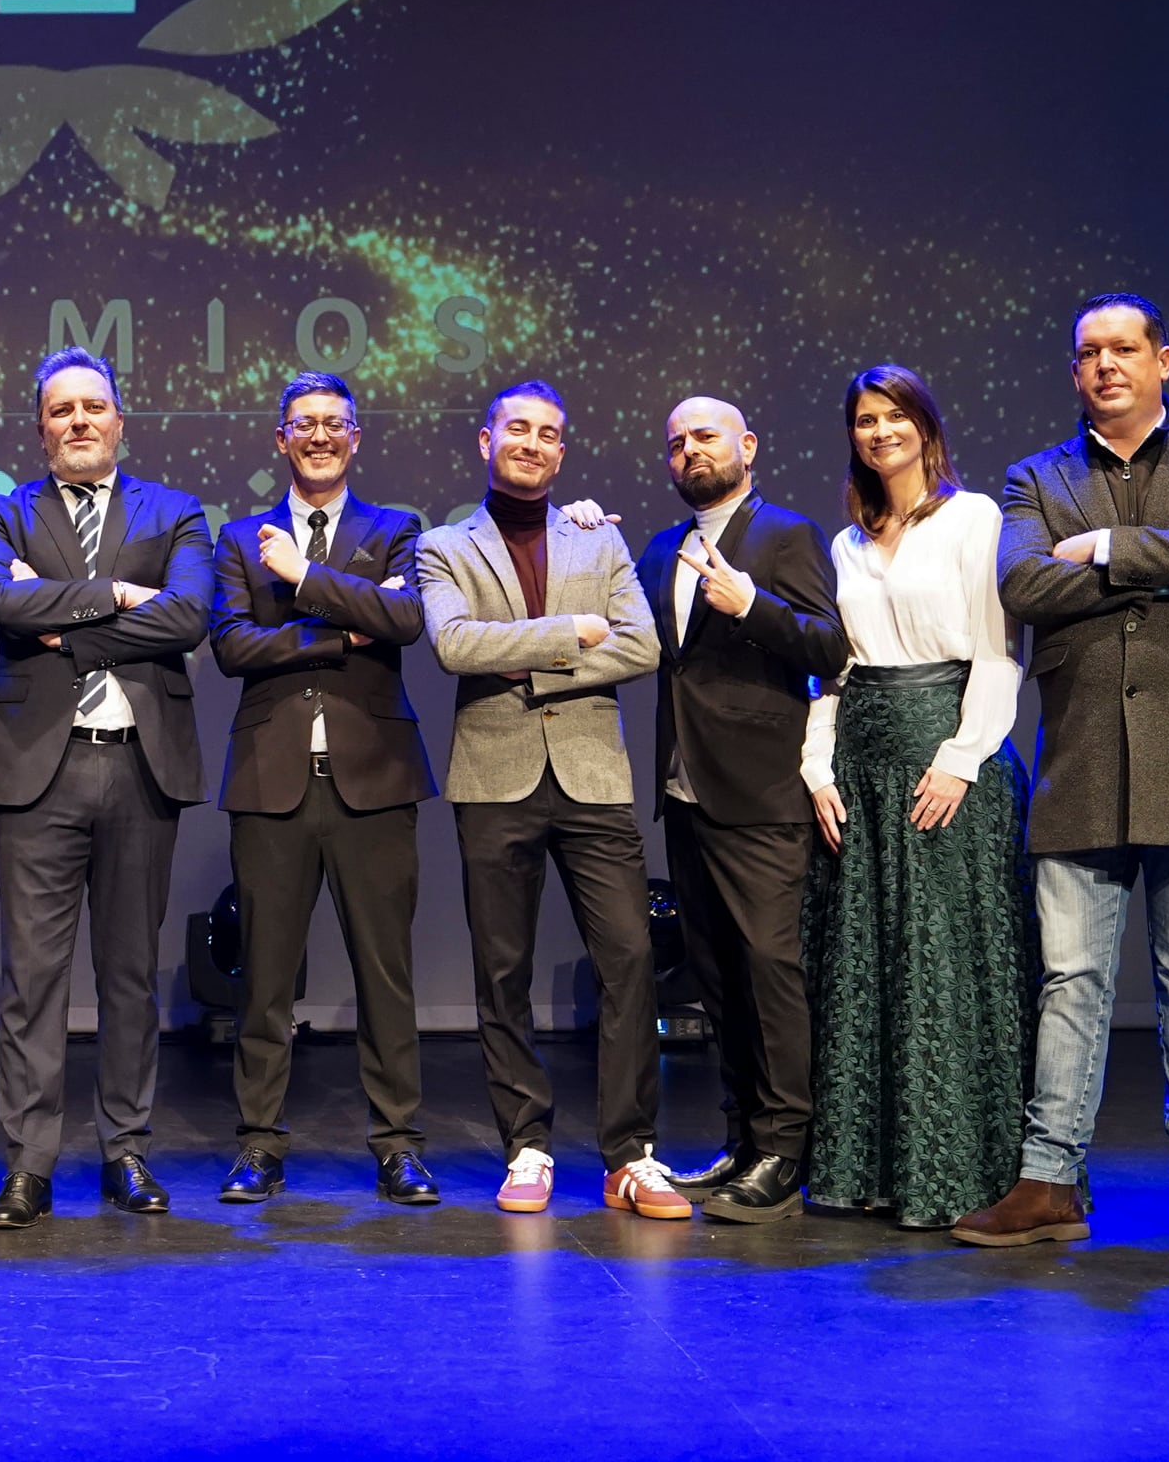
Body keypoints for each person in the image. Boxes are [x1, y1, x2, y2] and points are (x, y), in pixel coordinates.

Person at [956, 294, 1169, 1253]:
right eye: (1089, 352)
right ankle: (1047, 1178)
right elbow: (1023, 583)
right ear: (1073, 371)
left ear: (1163, 359)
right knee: (1071, 980)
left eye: (1124, 349)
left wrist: (1100, 548)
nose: (1106, 365)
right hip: (1085, 754)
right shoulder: (1034, 477)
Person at [0, 347, 217, 1229]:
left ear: (120, 421)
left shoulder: (178, 512)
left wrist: (65, 623)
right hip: (41, 767)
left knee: (129, 975)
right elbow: (1, 603)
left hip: (139, 763)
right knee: (32, 981)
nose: (78, 421)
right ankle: (28, 1166)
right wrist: (115, 592)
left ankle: (126, 1152)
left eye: (93, 407)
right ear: (41, 428)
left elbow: (189, 617)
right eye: (61, 410)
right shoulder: (0, 512)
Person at [417, 379, 680, 1219]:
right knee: (503, 971)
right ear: (486, 440)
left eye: (549, 433)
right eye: (518, 429)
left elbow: (641, 646)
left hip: (592, 775)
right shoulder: (443, 545)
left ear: (562, 451)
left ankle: (630, 1155)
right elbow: (454, 645)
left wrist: (526, 660)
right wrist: (573, 633)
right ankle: (526, 1146)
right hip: (493, 777)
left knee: (631, 960)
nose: (533, 442)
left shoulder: (596, 540)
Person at [798, 367, 1032, 1230]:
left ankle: (961, 1174)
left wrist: (963, 758)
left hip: (945, 761)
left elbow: (998, 651)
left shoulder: (973, 519)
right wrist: (818, 769)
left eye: (895, 415)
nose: (879, 430)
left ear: (925, 427)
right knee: (866, 972)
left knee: (942, 969)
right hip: (860, 768)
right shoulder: (846, 543)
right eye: (865, 418)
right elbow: (837, 667)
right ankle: (870, 1172)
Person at [207, 372, 440, 1208]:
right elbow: (232, 646)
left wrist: (303, 580)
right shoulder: (238, 537)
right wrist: (343, 627)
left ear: (355, 436)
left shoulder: (397, 528)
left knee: (388, 972)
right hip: (270, 778)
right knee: (265, 979)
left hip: (374, 776)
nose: (318, 436)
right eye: (302, 424)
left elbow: (408, 622)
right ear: (279, 438)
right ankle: (259, 1145)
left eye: (333, 424)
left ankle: (399, 1145)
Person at [634, 395, 848, 1225]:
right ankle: (741, 1138)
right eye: (676, 441)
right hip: (685, 792)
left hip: (760, 793)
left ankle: (784, 1152)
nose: (690, 450)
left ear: (747, 447)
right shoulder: (662, 547)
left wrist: (751, 605)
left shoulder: (786, 534)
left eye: (706, 437)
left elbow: (831, 646)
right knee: (716, 978)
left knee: (770, 972)